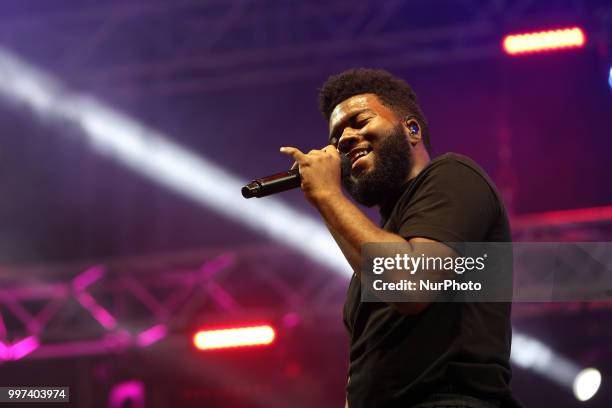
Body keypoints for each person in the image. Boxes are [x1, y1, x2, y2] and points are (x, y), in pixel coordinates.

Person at [280, 68, 519, 408]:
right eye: (335, 138)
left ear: (411, 129)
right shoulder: (377, 247)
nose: (344, 139)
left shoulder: (454, 176)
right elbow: (365, 371)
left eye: (360, 121)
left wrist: (327, 196)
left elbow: (412, 285)